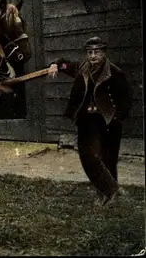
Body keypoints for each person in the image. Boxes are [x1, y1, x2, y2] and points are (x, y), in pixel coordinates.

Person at [48, 37, 132, 206]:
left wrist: (117, 118)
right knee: (89, 157)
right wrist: (54, 64)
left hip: (108, 121)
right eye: (90, 52)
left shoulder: (114, 73)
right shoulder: (81, 68)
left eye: (97, 52)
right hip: (87, 121)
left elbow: (126, 99)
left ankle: (106, 195)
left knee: (108, 159)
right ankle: (111, 189)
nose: (93, 56)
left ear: (104, 53)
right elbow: (64, 64)